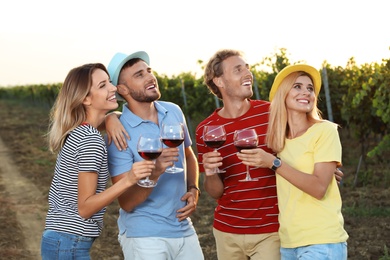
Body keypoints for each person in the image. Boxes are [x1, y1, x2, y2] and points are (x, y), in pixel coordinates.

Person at [40, 63, 154, 259]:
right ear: (85, 98)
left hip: (63, 240)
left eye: (110, 82)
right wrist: (129, 179)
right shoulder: (90, 139)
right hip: (69, 243)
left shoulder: (82, 131)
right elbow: (85, 208)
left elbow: (116, 116)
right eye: (102, 86)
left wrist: (111, 118)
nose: (113, 88)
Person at [238, 64, 349, 259]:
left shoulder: (325, 131)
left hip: (321, 241)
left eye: (310, 88)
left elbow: (318, 188)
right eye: (297, 86)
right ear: (284, 94)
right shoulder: (278, 141)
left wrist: (275, 163)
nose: (306, 92)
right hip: (288, 244)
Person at [105, 51, 204, 260]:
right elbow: (127, 202)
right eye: (139, 75)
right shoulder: (119, 133)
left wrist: (193, 188)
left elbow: (188, 156)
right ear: (122, 89)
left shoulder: (173, 111)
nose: (150, 77)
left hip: (183, 227)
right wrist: (155, 172)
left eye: (149, 71)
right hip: (144, 235)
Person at [195, 49, 280, 260]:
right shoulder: (206, 129)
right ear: (220, 82)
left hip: (270, 230)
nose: (247, 73)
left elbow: (298, 151)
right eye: (238, 69)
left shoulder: (271, 113)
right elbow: (215, 192)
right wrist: (212, 172)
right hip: (227, 231)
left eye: (247, 68)